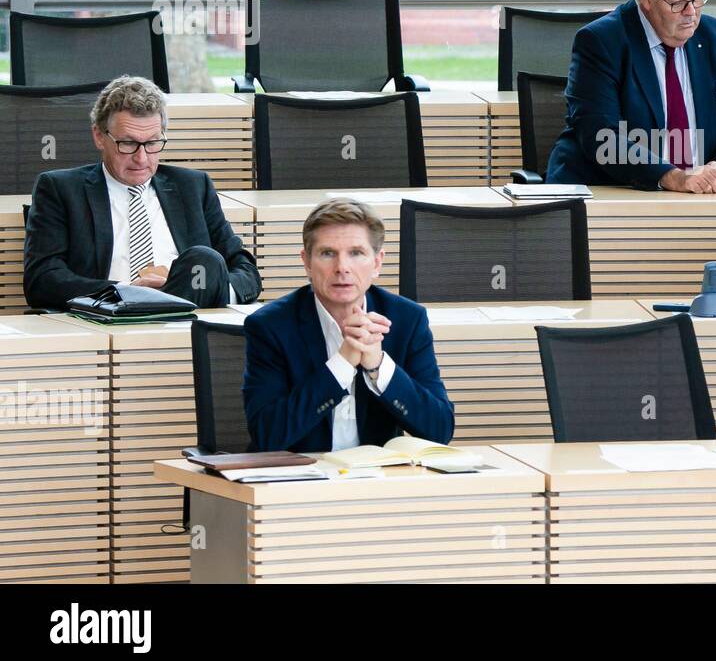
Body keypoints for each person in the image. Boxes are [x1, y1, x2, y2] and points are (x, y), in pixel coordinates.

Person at [24, 76, 261, 310]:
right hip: (110, 316)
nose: (141, 158)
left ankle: (171, 304)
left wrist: (210, 288)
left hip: (191, 320)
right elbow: (43, 280)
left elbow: (245, 271)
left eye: (152, 143)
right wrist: (128, 290)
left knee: (204, 260)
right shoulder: (60, 189)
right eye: (127, 144)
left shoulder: (193, 187)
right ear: (99, 136)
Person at [243, 197, 454, 453]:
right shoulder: (270, 327)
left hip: (378, 482)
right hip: (296, 482)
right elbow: (268, 435)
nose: (342, 267)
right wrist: (342, 364)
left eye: (356, 253)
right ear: (307, 262)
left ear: (377, 263)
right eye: (327, 253)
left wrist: (379, 366)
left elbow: (440, 430)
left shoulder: (407, 320)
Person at [546, 0, 716, 192]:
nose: (691, 11)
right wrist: (673, 177)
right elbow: (601, 136)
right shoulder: (601, 42)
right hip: (612, 191)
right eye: (677, 1)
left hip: (699, 197)